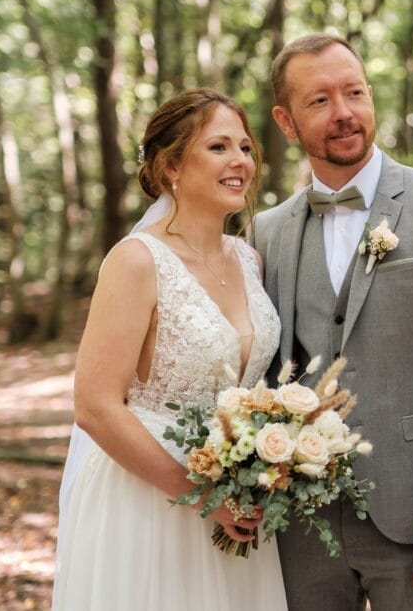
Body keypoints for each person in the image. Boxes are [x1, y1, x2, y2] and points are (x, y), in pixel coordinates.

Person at [253, 33, 413, 609]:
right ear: (286, 122)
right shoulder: (268, 230)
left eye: (355, 92)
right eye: (319, 101)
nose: (344, 113)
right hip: (300, 521)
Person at [52, 89, 288, 609]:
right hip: (147, 502)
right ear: (171, 166)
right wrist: (204, 495)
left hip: (240, 501)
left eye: (246, 148)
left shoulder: (250, 259)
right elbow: (94, 406)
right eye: (219, 147)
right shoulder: (136, 261)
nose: (240, 162)